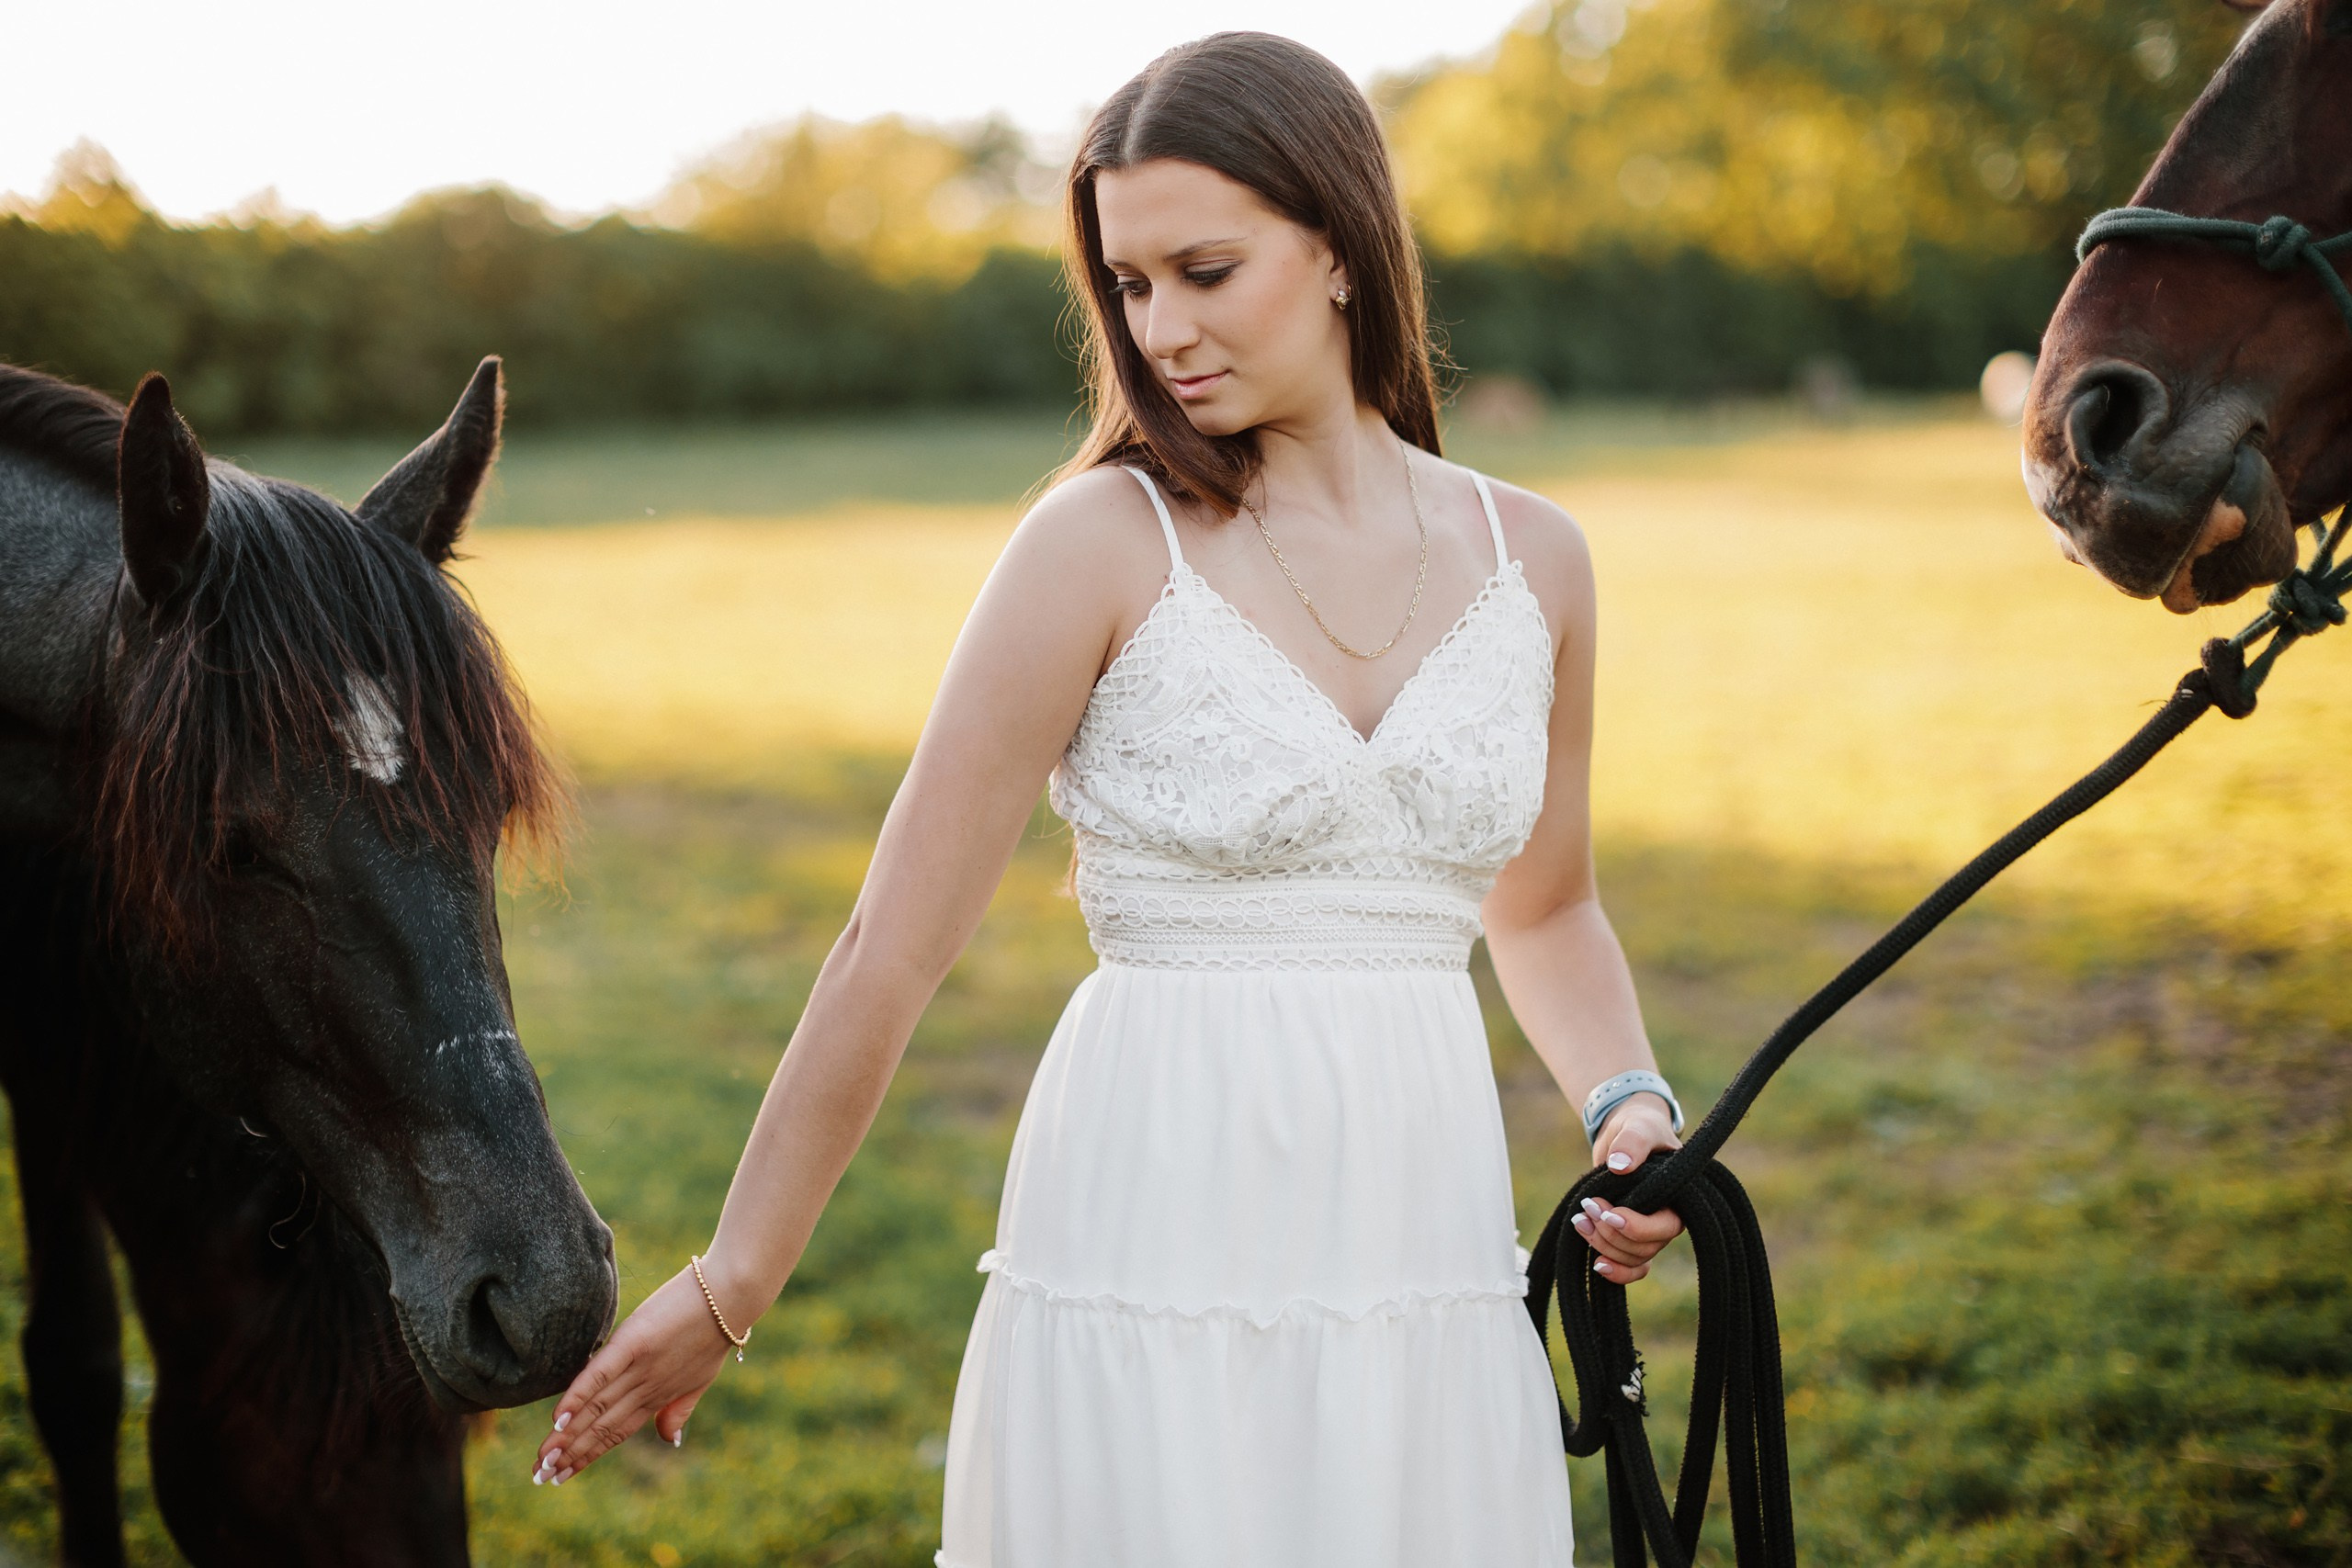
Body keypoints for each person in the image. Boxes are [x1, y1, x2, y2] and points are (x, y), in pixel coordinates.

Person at [532, 31, 1685, 1566]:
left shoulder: (1534, 557)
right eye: (1130, 287)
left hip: (1421, 1233)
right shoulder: (1097, 542)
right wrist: (736, 1278)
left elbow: (1544, 908)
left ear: (1342, 249)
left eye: (1205, 271)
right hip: (1154, 1216)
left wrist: (1629, 1106)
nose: (1162, 331)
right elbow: (893, 939)